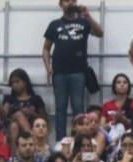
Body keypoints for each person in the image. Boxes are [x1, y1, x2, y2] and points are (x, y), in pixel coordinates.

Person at [44, 0, 104, 140]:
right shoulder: (54, 24)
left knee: (78, 107)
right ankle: (61, 140)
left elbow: (100, 33)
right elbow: (46, 48)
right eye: (66, 0)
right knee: (60, 107)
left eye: (73, 0)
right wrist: (48, 67)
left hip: (79, 71)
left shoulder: (83, 22)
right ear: (61, 4)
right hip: (59, 72)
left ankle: (80, 139)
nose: (70, 3)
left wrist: (87, 15)